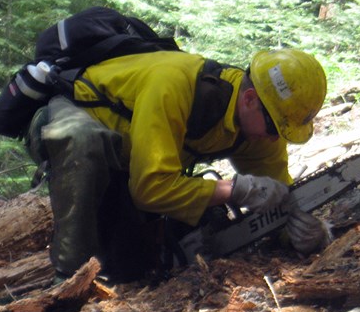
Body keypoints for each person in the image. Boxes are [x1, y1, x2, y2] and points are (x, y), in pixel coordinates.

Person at [25, 48, 331, 282]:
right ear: (250, 100)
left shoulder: (260, 129)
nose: (274, 138)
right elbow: (150, 189)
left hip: (135, 157)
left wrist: (305, 233)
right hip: (75, 120)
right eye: (275, 127)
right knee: (81, 142)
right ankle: (66, 279)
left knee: (132, 268)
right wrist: (233, 190)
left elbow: (283, 198)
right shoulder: (175, 86)